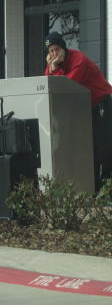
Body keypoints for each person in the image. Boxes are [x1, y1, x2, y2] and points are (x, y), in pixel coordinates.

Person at [44, 31, 112, 190]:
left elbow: (67, 86)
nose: (54, 54)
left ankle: (107, 189)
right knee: (88, 149)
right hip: (84, 108)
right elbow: (47, 85)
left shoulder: (78, 60)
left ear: (63, 48)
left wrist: (53, 70)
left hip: (101, 103)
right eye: (51, 51)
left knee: (104, 148)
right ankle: (94, 189)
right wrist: (51, 69)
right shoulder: (54, 65)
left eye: (57, 49)